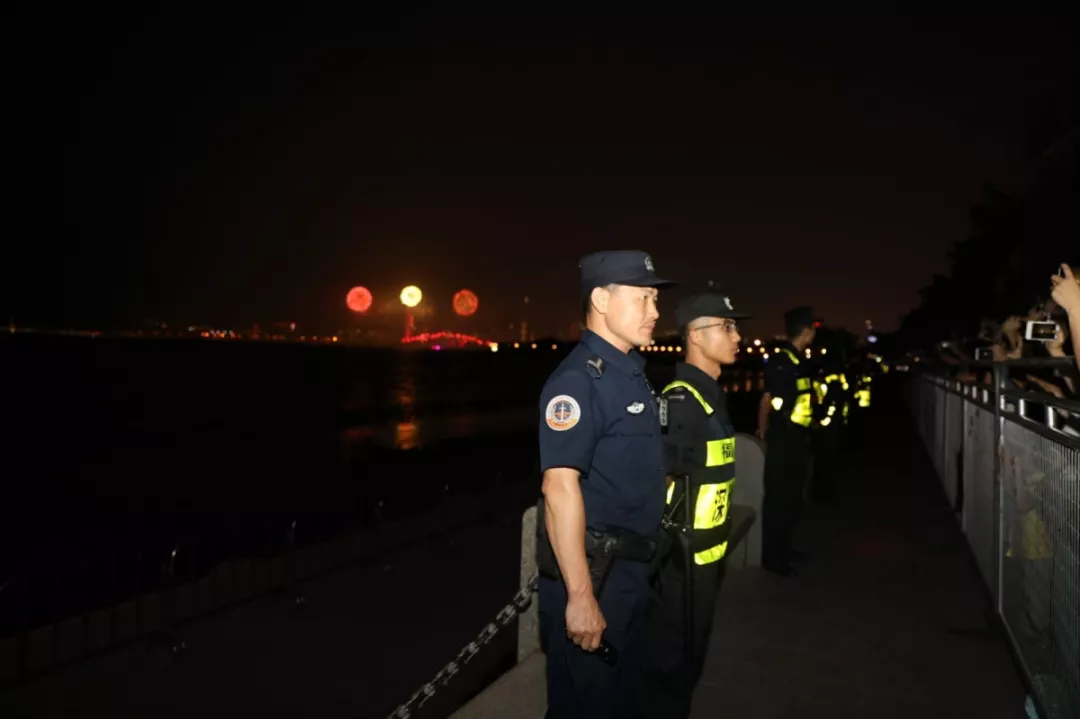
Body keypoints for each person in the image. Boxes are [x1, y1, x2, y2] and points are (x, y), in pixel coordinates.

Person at [537, 250, 674, 718]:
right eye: (643, 299)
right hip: (596, 577)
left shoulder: (630, 374)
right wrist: (580, 598)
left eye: (656, 300)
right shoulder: (577, 383)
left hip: (632, 571)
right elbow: (559, 489)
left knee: (620, 701)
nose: (655, 312)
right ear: (600, 300)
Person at [637, 292, 748, 719]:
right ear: (695, 336)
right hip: (678, 564)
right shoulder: (682, 401)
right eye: (726, 326)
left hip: (704, 559)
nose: (737, 336)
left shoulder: (709, 396)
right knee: (669, 669)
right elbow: (656, 481)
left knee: (689, 662)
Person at [756, 306, 817, 577]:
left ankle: (784, 547)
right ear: (806, 331)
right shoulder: (782, 361)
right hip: (783, 439)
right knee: (779, 498)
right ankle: (772, 557)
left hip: (798, 438)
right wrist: (762, 432)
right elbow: (767, 399)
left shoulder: (799, 360)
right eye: (813, 328)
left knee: (792, 497)